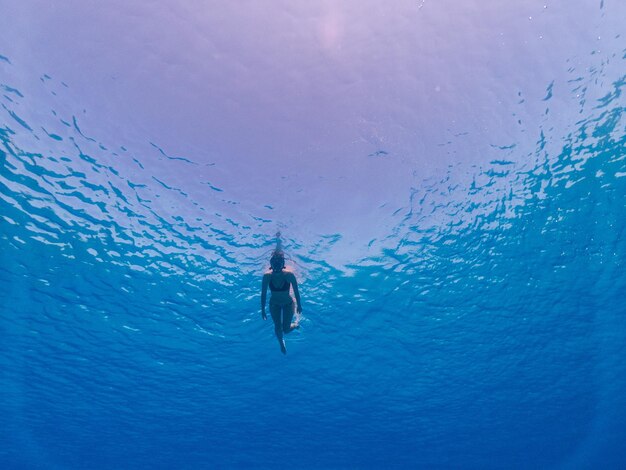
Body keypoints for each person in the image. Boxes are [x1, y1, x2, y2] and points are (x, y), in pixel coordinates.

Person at [261, 250, 302, 354]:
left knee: (286, 330)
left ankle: (296, 324)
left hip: (288, 304)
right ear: (271, 264)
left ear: (283, 264)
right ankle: (281, 343)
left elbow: (296, 291)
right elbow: (263, 294)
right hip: (274, 305)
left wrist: (299, 305)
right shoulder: (267, 276)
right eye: (274, 264)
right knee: (278, 327)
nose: (277, 267)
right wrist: (262, 310)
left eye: (279, 264)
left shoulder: (289, 275)